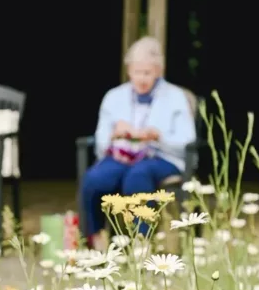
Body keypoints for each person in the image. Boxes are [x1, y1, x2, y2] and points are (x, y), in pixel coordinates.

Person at [81, 36, 196, 247]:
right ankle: (97, 242)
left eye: (147, 73)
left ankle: (141, 243)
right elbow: (100, 144)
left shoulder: (176, 96)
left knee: (138, 175)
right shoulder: (113, 97)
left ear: (158, 71)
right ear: (129, 70)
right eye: (137, 72)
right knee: (94, 179)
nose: (142, 78)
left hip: (162, 157)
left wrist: (158, 137)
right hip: (121, 155)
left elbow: (187, 142)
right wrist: (115, 135)